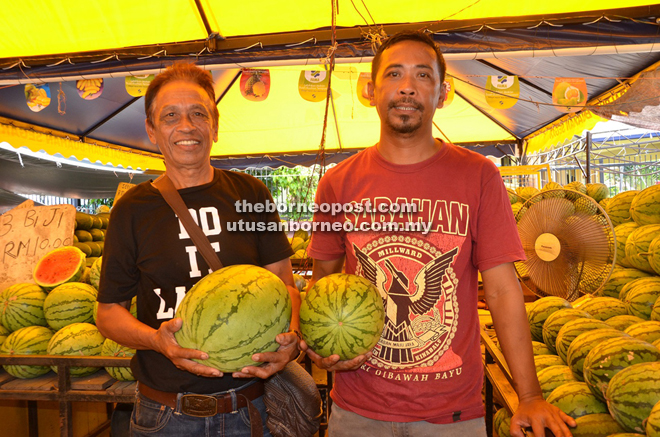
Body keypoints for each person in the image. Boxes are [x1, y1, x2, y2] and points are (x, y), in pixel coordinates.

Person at [302, 31, 576, 437]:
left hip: (453, 415)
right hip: (357, 411)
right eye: (394, 74)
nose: (408, 86)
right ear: (371, 90)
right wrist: (322, 348)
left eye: (423, 75)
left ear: (443, 92)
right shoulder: (338, 183)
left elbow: (502, 290)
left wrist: (530, 394)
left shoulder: (479, 176)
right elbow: (323, 283)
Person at [96, 62, 300, 437]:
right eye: (170, 116)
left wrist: (291, 342)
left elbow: (285, 287)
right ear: (152, 130)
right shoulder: (131, 209)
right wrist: (157, 341)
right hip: (165, 414)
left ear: (215, 126)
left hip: (248, 408)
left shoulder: (251, 194)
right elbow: (108, 313)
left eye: (198, 114)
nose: (186, 126)